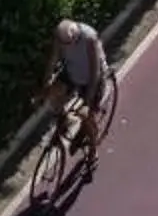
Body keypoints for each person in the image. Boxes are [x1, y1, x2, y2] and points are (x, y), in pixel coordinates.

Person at [42, 17, 110, 161]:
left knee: (87, 117)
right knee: (53, 92)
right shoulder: (61, 38)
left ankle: (93, 149)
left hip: (91, 80)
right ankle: (66, 120)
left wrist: (87, 102)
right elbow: (53, 59)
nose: (66, 47)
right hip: (72, 72)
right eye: (63, 44)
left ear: (75, 35)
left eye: (69, 43)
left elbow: (95, 72)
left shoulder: (89, 38)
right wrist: (47, 81)